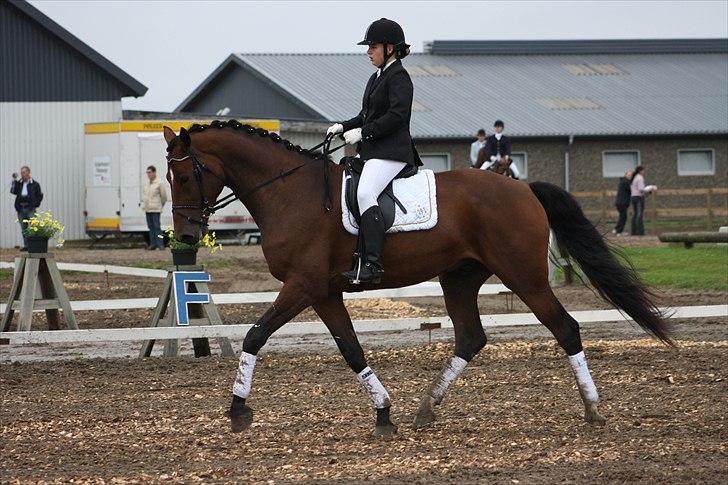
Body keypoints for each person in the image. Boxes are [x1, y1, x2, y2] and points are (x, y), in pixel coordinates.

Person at [327, 18, 422, 284]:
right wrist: (343, 126)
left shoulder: (399, 76)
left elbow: (397, 116)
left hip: (392, 152)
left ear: (390, 48)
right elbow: (365, 115)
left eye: (373, 46)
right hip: (374, 151)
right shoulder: (376, 77)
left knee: (366, 192)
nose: (368, 51)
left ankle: (373, 264)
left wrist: (364, 133)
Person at [10, 166, 43, 250]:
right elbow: (13, 191)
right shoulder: (19, 183)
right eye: (21, 173)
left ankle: (34, 246)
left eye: (24, 172)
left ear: (28, 172)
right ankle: (27, 246)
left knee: (33, 227)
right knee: (24, 229)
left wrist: (36, 204)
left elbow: (40, 195)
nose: (22, 174)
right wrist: (14, 181)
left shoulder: (35, 184)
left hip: (30, 209)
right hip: (21, 209)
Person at [141, 165, 167, 250]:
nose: (148, 174)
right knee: (150, 227)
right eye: (147, 173)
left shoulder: (159, 183)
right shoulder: (147, 183)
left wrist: (160, 205)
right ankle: (153, 244)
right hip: (148, 209)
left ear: (154, 172)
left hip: (156, 209)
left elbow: (164, 197)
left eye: (150, 172)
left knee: (157, 227)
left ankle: (160, 244)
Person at [629, 166, 656, 236]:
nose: (644, 172)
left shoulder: (634, 177)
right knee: (639, 214)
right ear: (640, 171)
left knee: (635, 214)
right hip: (639, 197)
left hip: (633, 197)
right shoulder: (640, 178)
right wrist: (650, 188)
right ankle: (640, 232)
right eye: (643, 171)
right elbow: (641, 189)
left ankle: (633, 231)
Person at [612, 169, 633, 235]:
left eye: (631, 175)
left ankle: (616, 229)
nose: (630, 176)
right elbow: (631, 190)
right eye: (629, 175)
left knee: (622, 216)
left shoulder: (623, 181)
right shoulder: (626, 182)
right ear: (625, 175)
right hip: (622, 203)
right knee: (623, 217)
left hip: (620, 202)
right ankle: (619, 231)